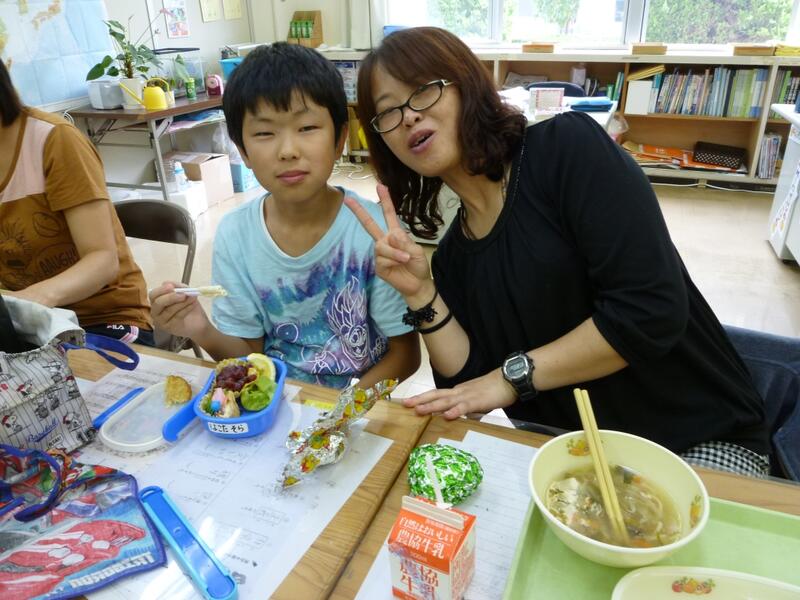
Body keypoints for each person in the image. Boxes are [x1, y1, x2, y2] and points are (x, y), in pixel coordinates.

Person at [345, 27, 770, 477]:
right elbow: (470, 388)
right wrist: (420, 293)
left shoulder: (566, 150)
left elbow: (650, 310)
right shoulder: (453, 257)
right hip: (578, 464)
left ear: (466, 84)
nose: (408, 116)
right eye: (388, 112)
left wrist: (510, 378)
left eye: (423, 91)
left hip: (696, 437)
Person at [149, 43, 420, 389]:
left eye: (307, 128)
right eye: (264, 133)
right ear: (243, 150)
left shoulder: (375, 233)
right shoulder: (235, 235)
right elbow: (248, 357)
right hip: (275, 399)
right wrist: (200, 329)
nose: (288, 151)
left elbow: (405, 355)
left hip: (359, 400)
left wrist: (339, 412)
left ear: (340, 139)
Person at [0, 61, 153, 345]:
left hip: (102, 317)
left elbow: (102, 260)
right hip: (27, 323)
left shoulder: (53, 140)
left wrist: (26, 303)